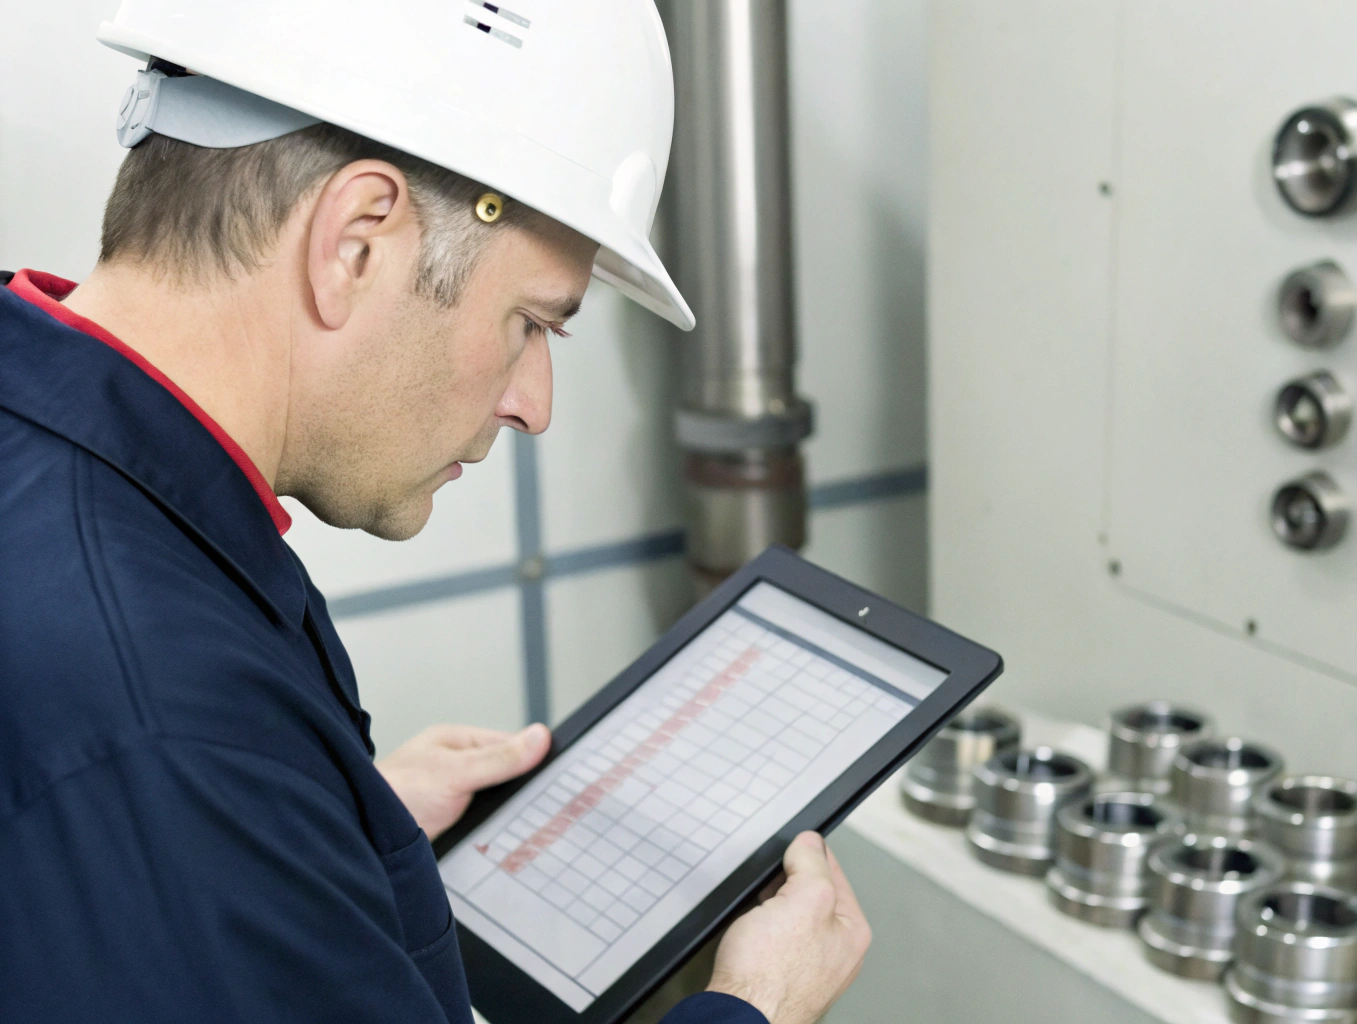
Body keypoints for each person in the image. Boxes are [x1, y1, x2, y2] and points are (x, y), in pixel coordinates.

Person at [0, 2, 871, 1023]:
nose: (533, 406)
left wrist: (329, 827)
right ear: (357, 242)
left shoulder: (75, 502)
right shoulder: (172, 722)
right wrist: (754, 1005)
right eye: (530, 321)